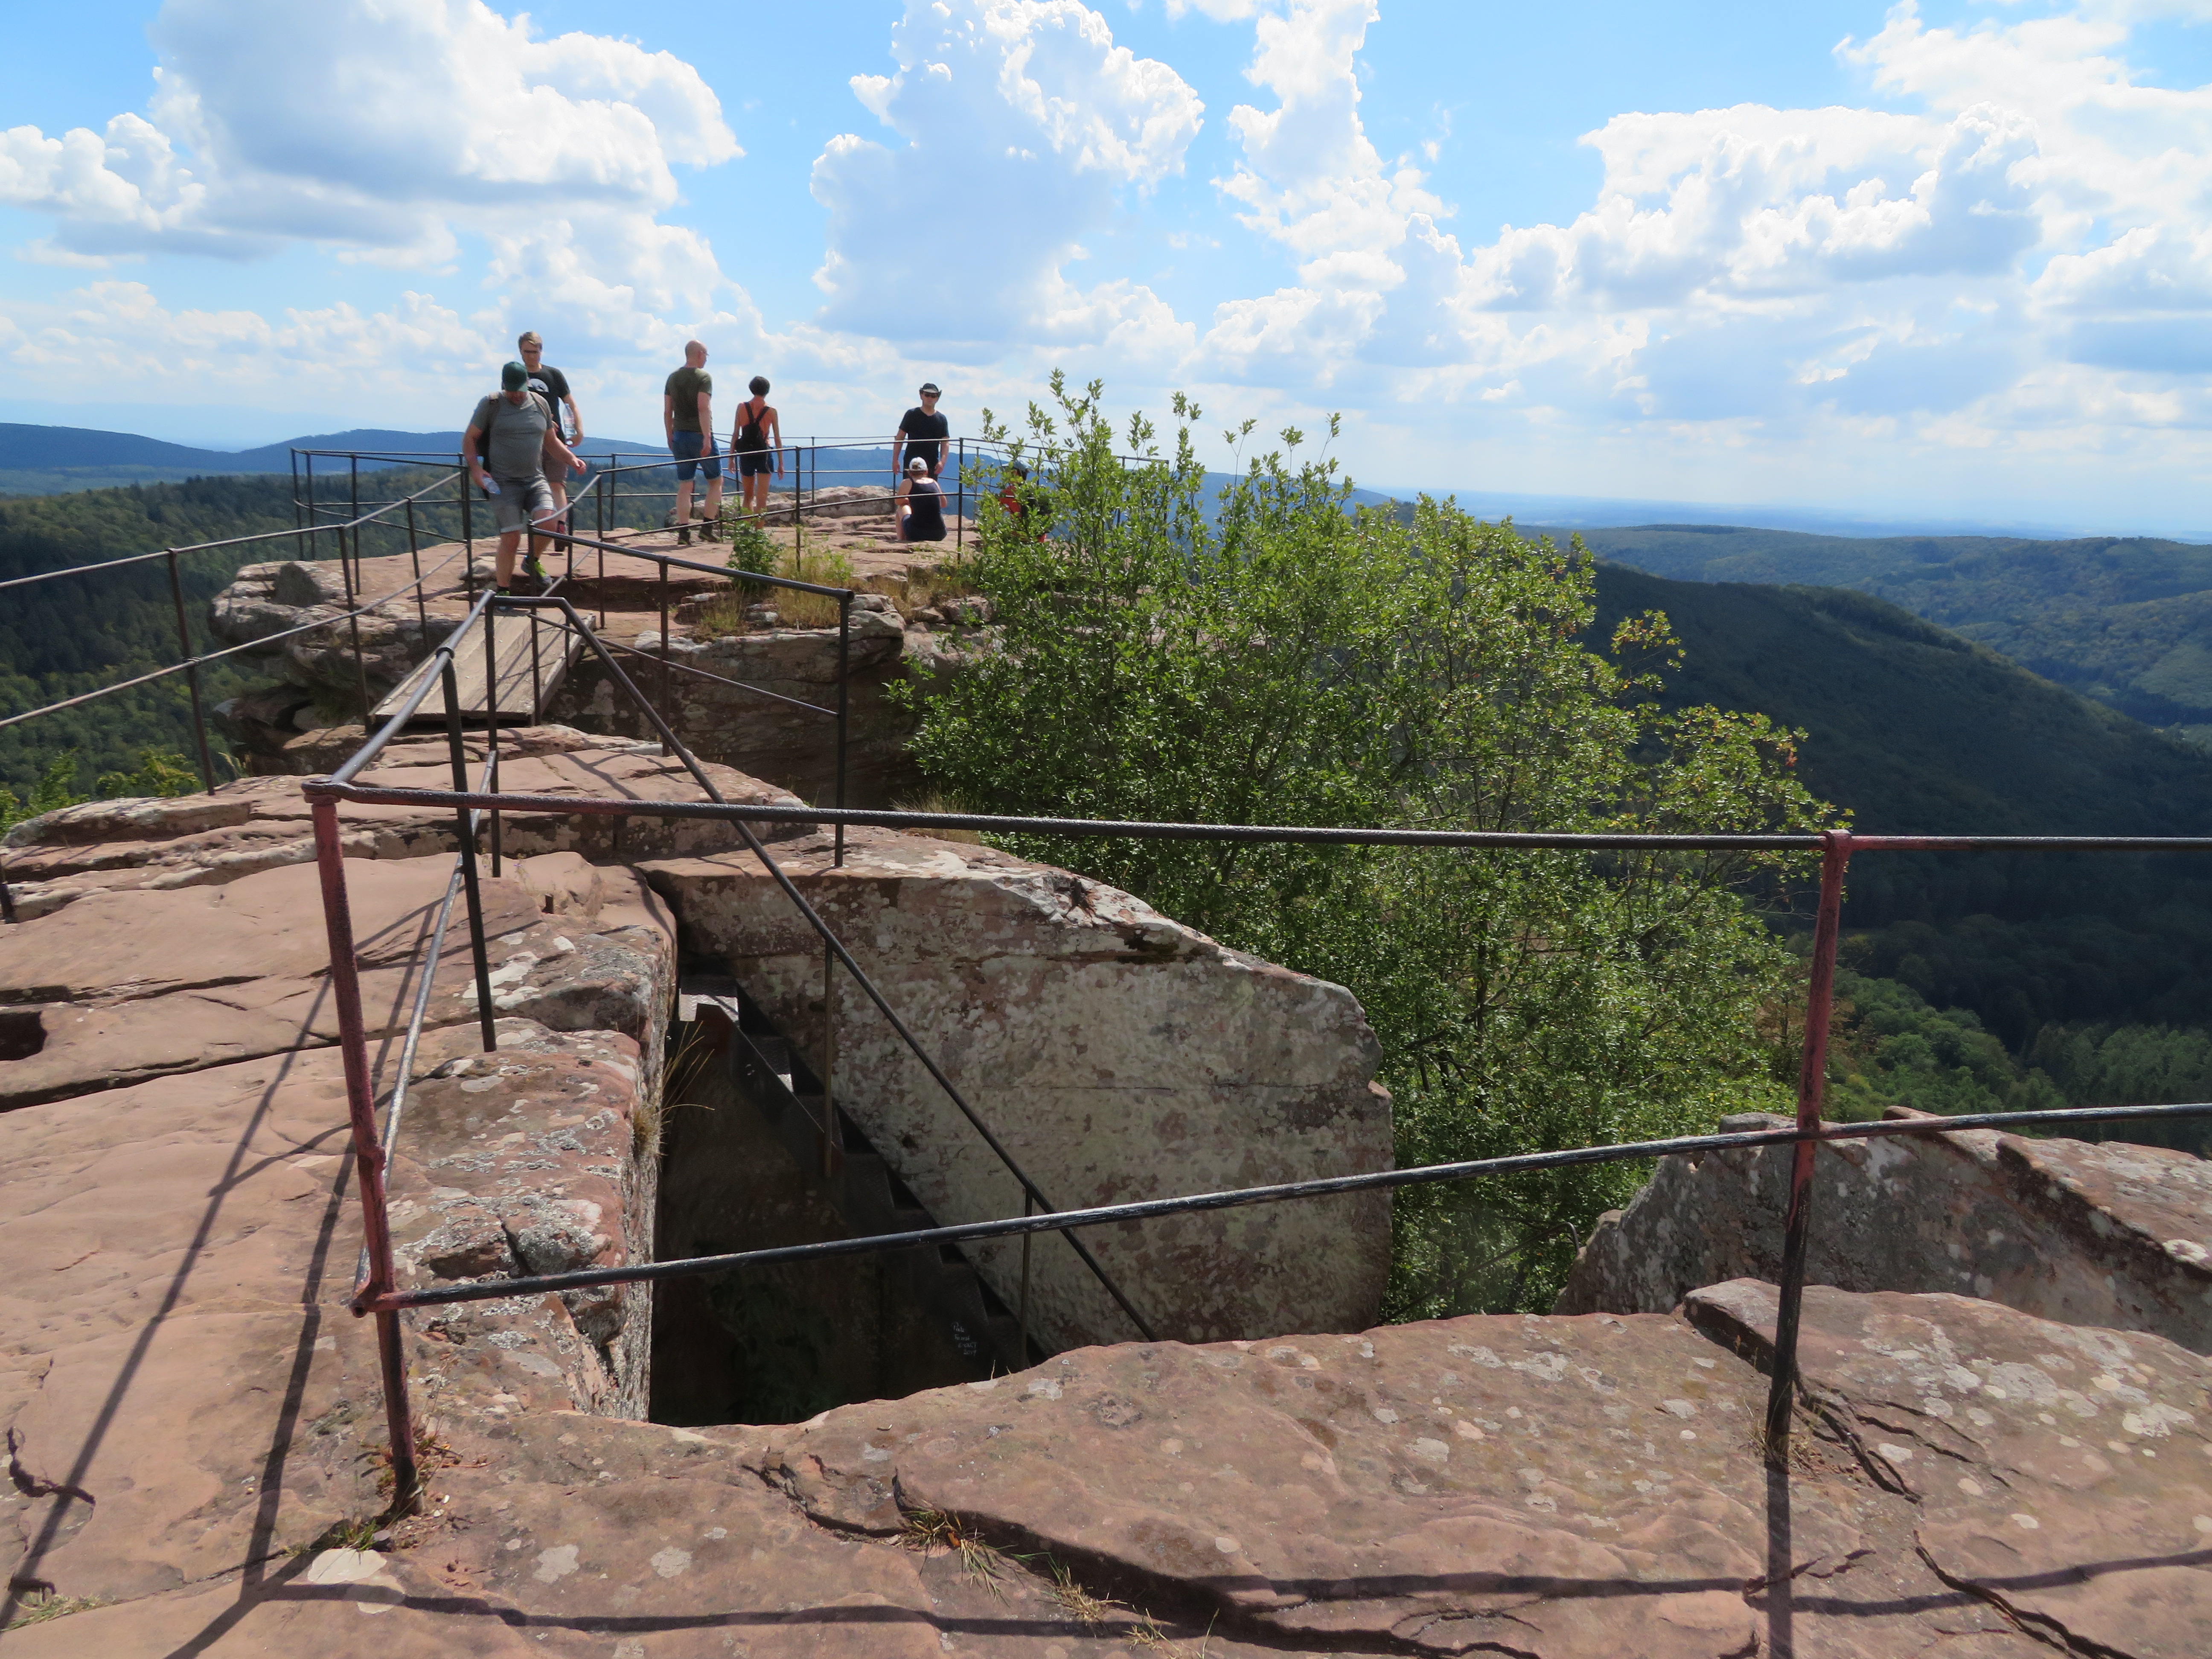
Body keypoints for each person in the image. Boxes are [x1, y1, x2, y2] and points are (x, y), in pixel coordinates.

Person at [465, 361, 582, 594]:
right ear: (503, 385)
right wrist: (476, 470)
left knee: (549, 524)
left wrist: (571, 459)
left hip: (534, 479)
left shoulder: (540, 404)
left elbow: (551, 441)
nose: (517, 395)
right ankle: (503, 591)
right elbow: (470, 438)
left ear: (527, 384)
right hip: (503, 482)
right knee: (511, 537)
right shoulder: (491, 404)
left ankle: (532, 560)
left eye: (520, 390)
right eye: (511, 391)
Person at [518, 331, 583, 553]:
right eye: (528, 352)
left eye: (535, 352)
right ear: (521, 352)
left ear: (541, 351)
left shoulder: (554, 375)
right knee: (533, 487)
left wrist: (578, 429)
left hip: (556, 439)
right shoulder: (517, 375)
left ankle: (560, 528)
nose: (532, 356)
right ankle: (542, 529)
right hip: (528, 441)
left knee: (557, 484)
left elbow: (570, 404)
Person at [663, 340, 721, 546]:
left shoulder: (673, 378)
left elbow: (667, 411)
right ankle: (707, 529)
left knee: (685, 485)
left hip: (679, 435)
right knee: (716, 481)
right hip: (699, 434)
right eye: (706, 355)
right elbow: (703, 407)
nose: (706, 359)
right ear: (700, 354)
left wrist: (669, 435)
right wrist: (707, 437)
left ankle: (684, 533)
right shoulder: (704, 377)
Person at [729, 374, 782, 527]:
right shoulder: (771, 411)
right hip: (764, 453)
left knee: (748, 496)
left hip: (746, 453)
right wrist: (781, 463)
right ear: (767, 391)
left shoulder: (742, 407)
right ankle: (759, 533)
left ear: (751, 389)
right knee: (762, 497)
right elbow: (777, 438)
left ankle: (747, 531)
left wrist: (731, 457)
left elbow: (736, 434)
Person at [894, 381, 948, 484]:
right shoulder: (911, 415)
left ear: (937, 398)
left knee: (929, 490)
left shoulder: (942, 419)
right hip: (911, 460)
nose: (930, 398)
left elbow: (945, 443)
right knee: (909, 487)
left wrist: (943, 462)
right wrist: (895, 460)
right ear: (921, 395)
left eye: (933, 396)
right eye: (927, 395)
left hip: (932, 462)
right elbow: (900, 438)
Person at [896, 455, 946, 543]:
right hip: (939, 533)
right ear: (926, 471)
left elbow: (898, 502)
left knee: (902, 508)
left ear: (910, 473)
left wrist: (909, 500)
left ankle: (901, 541)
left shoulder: (908, 483)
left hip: (917, 533)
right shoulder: (934, 482)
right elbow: (944, 504)